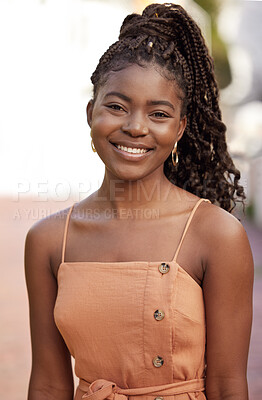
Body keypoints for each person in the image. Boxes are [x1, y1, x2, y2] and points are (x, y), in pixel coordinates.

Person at [25, 3, 254, 400]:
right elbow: (48, 383)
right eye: (115, 106)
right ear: (90, 113)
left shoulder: (215, 235)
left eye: (159, 113)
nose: (134, 127)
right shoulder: (48, 241)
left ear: (180, 127)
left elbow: (227, 385)